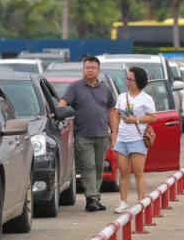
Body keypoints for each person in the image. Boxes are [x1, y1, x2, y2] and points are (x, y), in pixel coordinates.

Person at [59, 56, 118, 212]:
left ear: (98, 70)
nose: (90, 70)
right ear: (83, 69)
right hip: (82, 135)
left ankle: (95, 198)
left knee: (99, 167)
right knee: (88, 166)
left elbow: (111, 111)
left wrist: (114, 132)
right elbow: (62, 105)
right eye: (87, 67)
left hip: (102, 135)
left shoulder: (105, 89)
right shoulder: (74, 88)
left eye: (93, 67)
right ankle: (90, 198)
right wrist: (61, 113)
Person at [112, 67, 157, 214]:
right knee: (123, 171)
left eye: (131, 79)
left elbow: (153, 117)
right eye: (127, 79)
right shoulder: (121, 97)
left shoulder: (146, 98)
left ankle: (141, 203)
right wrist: (114, 134)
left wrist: (136, 120)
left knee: (138, 171)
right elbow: (116, 115)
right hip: (122, 139)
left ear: (139, 81)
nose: (128, 82)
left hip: (137, 138)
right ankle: (123, 202)